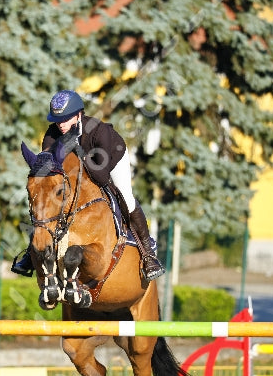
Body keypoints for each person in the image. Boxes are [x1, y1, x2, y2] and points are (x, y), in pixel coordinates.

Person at [12, 89, 165, 282]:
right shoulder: (52, 135)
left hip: (112, 160)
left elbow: (101, 177)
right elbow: (49, 176)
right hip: (77, 172)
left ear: (78, 115)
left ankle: (148, 251)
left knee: (125, 195)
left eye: (66, 119)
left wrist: (78, 150)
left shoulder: (99, 132)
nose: (60, 125)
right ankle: (31, 252)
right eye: (57, 120)